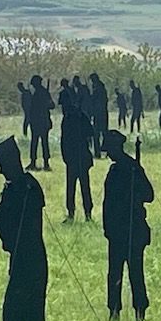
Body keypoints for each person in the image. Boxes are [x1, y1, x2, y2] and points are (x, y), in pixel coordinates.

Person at [0, 137, 49, 321]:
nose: (1, 170)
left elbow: (8, 232)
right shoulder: (27, 186)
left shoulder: (21, 189)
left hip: (28, 263)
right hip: (28, 262)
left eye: (2, 165)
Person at [102, 131, 154, 321]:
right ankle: (113, 311)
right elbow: (108, 205)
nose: (108, 155)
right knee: (114, 274)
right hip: (116, 232)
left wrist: (135, 190)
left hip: (132, 230)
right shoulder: (115, 171)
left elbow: (149, 195)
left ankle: (140, 311)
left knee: (135, 274)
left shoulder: (133, 169)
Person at [59, 89, 94, 223]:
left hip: (79, 156)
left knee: (83, 187)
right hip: (73, 157)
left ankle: (87, 213)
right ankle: (72, 213)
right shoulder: (71, 116)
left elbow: (90, 132)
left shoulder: (76, 116)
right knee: (73, 187)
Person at [27, 74, 54, 171]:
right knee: (38, 142)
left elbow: (52, 105)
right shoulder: (42, 92)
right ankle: (35, 162)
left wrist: (46, 105)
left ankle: (44, 163)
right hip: (39, 121)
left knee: (41, 142)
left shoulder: (42, 93)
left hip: (41, 121)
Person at [88, 73, 109, 159]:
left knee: (97, 134)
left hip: (99, 114)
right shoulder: (101, 88)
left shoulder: (98, 89)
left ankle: (98, 153)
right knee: (103, 133)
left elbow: (94, 100)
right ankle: (104, 151)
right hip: (102, 113)